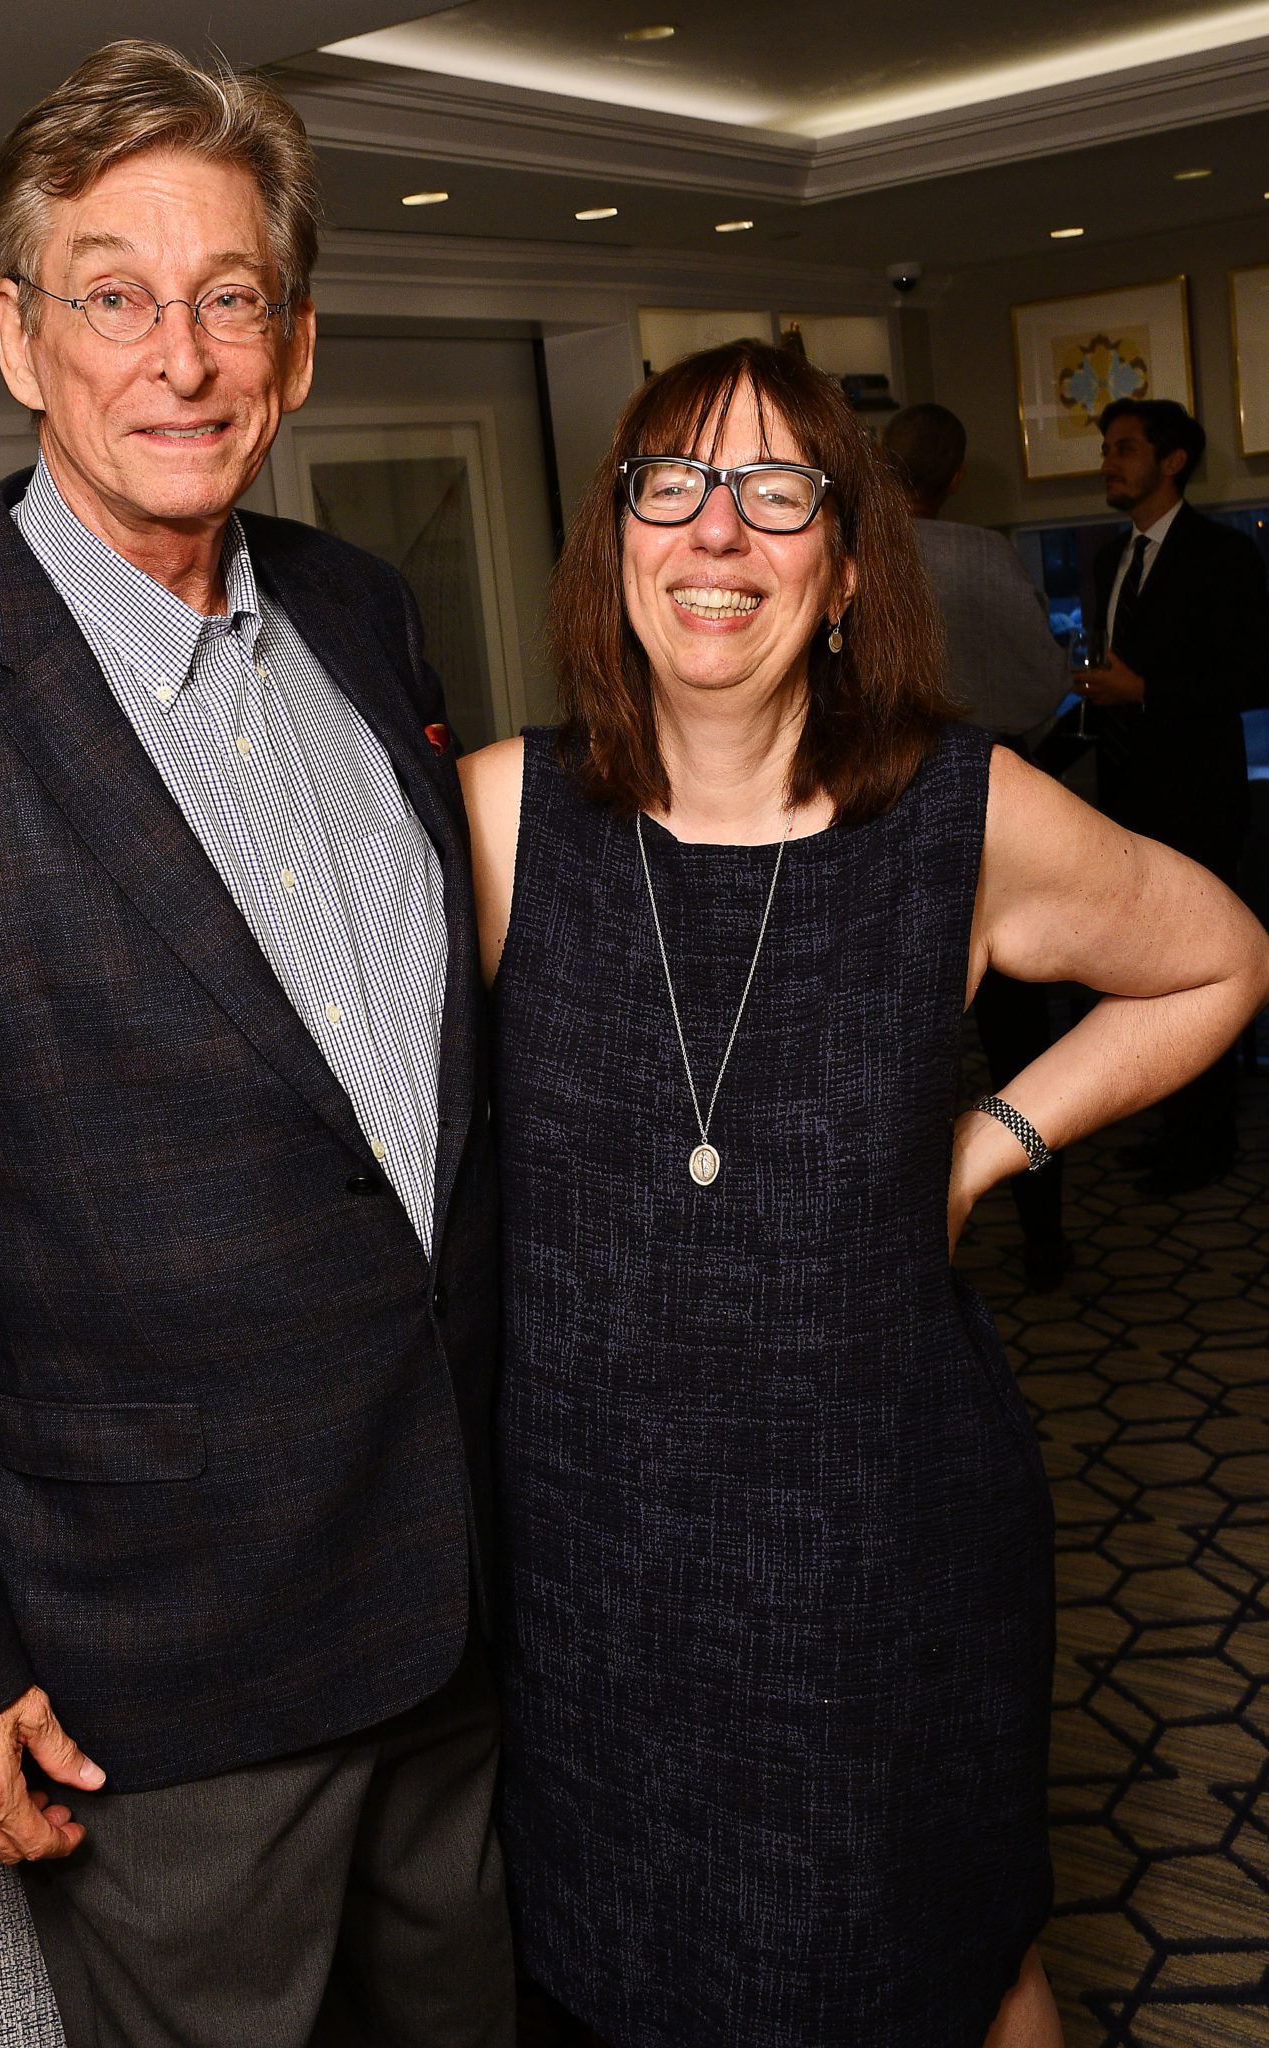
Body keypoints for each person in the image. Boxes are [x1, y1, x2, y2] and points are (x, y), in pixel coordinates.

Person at [0, 40, 512, 2048]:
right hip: (162, 1675)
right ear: (20, 338)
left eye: (228, 292)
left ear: (297, 345)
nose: (178, 353)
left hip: (466, 1606)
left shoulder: (359, 609)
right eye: (112, 292)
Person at [459, 340, 1269, 2048]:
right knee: (625, 1978)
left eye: (777, 494)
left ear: (839, 570)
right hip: (592, 1569)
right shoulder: (497, 821)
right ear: (614, 544)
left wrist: (986, 1143)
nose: (715, 535)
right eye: (669, 486)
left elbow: (1214, 958)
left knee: (940, 1960)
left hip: (879, 1546)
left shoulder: (952, 818)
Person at [884, 402, 1073, 1289]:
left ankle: (890, 1245)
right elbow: (1044, 688)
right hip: (1006, 815)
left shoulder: (859, 560)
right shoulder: (990, 556)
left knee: (888, 1048)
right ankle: (1045, 1233)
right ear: (956, 479)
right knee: (1021, 1047)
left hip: (881, 815)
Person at [1081, 397, 1269, 1196]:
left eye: (1124, 448)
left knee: (1201, 972)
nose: (1107, 463)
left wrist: (1147, 693)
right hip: (1121, 802)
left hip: (1197, 799)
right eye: (1106, 450)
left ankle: (1206, 1143)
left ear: (1172, 461)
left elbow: (1254, 677)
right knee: (1145, 977)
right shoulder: (1103, 560)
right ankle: (1170, 1126)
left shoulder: (1224, 555)